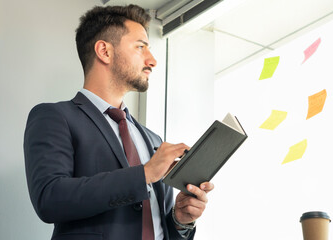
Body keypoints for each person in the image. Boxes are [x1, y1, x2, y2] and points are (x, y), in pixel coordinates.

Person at [24, 4, 213, 240]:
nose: (152, 60)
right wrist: (143, 174)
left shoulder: (153, 139)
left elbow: (159, 227)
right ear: (104, 51)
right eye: (140, 47)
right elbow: (49, 198)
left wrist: (180, 220)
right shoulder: (54, 117)